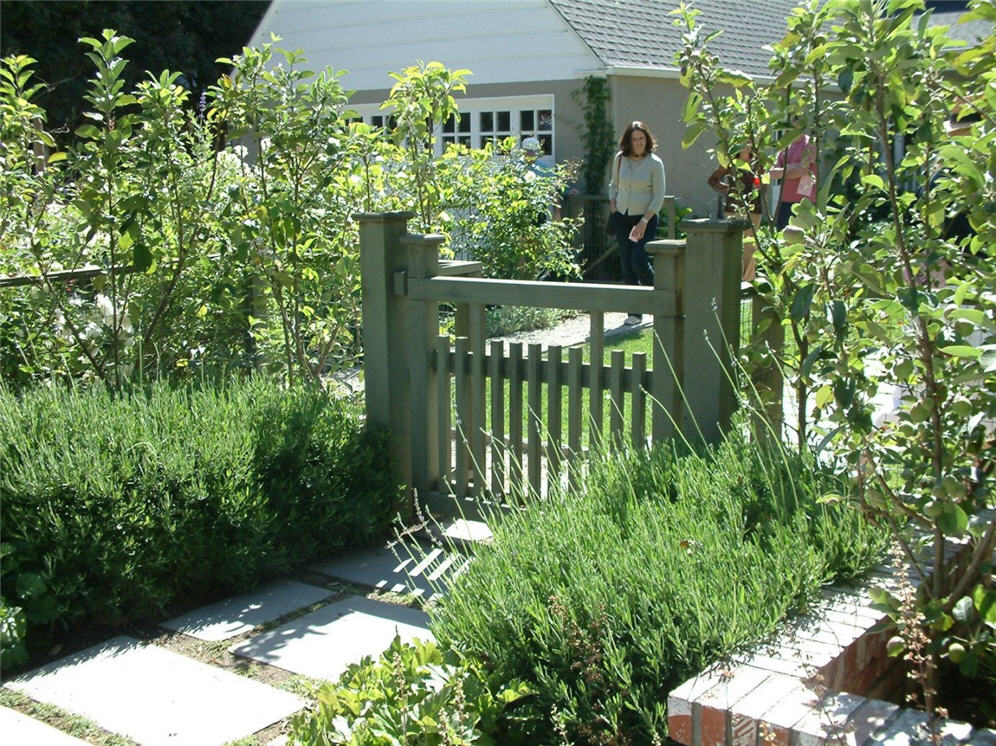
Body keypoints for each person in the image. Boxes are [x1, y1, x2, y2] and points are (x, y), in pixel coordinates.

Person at [608, 121, 666, 325]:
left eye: (641, 138)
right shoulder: (620, 159)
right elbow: (613, 184)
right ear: (628, 141)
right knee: (626, 264)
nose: (638, 142)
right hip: (622, 217)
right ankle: (634, 313)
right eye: (635, 139)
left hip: (645, 218)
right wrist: (613, 206)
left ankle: (659, 301)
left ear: (647, 139)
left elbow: (659, 196)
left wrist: (643, 222)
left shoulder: (655, 163)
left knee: (639, 260)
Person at [708, 144, 763, 280]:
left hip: (753, 209)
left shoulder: (757, 162)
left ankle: (748, 280)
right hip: (733, 209)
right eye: (743, 143)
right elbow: (712, 180)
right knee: (734, 245)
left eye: (749, 142)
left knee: (750, 247)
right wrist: (727, 189)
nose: (746, 146)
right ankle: (733, 278)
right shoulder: (730, 162)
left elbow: (764, 184)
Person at [769, 131, 815, 230]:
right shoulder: (785, 146)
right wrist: (790, 167)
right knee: (784, 235)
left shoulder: (809, 143)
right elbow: (772, 173)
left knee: (803, 238)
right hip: (785, 200)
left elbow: (802, 171)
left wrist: (783, 171)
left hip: (804, 201)